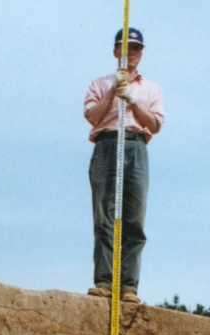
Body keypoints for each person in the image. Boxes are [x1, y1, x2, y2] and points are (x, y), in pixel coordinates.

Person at [84, 27, 164, 304]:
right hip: (106, 144)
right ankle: (104, 282)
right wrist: (113, 92)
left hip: (136, 146)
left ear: (141, 53)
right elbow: (93, 117)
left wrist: (133, 99)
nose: (130, 53)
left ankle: (128, 286)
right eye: (125, 47)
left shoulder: (151, 89)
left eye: (136, 48)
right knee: (104, 216)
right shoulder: (98, 83)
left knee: (134, 219)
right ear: (115, 51)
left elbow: (155, 124)